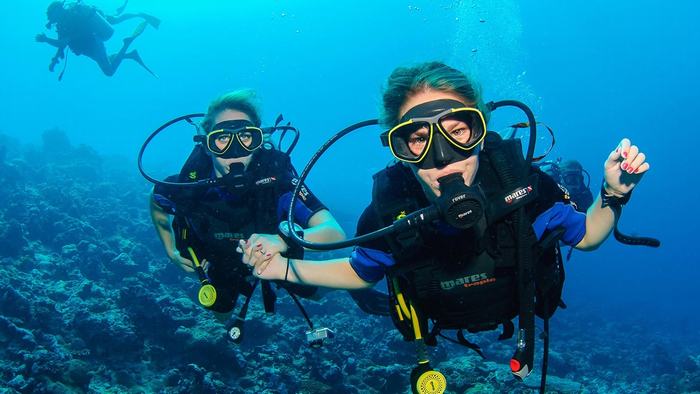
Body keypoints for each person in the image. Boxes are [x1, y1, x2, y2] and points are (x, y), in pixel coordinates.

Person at [239, 62, 651, 392]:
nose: (442, 157)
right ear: (398, 149)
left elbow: (587, 235)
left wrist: (613, 193)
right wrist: (281, 270)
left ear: (481, 131)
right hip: (436, 325)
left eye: (457, 132)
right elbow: (360, 271)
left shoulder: (524, 187)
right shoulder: (390, 212)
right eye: (417, 139)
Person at [148, 90, 385, 344]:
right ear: (206, 144)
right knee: (219, 312)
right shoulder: (189, 186)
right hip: (219, 260)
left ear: (259, 141)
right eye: (222, 139)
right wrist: (171, 251)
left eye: (246, 137)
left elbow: (332, 231)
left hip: (276, 257)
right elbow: (156, 201)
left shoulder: (277, 183)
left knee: (315, 293)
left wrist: (283, 240)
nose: (235, 151)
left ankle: (348, 286)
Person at [35, 0, 160, 78]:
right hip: (91, 40)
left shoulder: (68, 20)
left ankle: (126, 44)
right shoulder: (63, 24)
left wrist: (46, 39)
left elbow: (62, 43)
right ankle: (139, 16)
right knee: (116, 18)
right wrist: (55, 59)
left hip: (92, 44)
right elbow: (61, 45)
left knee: (109, 71)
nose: (52, 20)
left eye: (52, 16)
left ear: (57, 12)